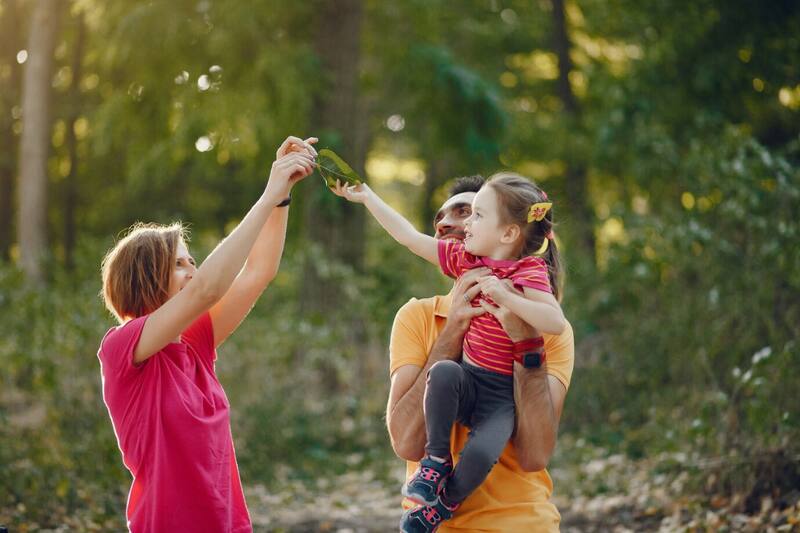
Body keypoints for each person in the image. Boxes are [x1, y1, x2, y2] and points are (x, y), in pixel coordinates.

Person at [97, 136, 317, 532]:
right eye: (179, 264)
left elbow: (259, 271)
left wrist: (282, 196)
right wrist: (267, 193)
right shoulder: (123, 347)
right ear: (144, 276)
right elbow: (208, 289)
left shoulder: (195, 344)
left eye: (192, 261)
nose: (193, 271)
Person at [332, 173, 573, 532]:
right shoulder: (418, 315)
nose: (448, 223)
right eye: (440, 218)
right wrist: (368, 197)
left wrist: (524, 339)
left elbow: (535, 454)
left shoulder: (536, 303)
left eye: (472, 212)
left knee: (480, 451)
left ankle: (444, 501)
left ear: (508, 231)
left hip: (522, 522)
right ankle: (436, 468)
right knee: (444, 374)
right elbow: (404, 441)